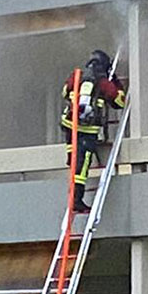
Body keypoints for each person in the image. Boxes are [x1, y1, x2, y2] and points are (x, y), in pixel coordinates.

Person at [59, 50, 128, 213]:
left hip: (69, 126)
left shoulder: (76, 76)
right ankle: (76, 201)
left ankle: (74, 198)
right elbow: (119, 102)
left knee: (74, 161)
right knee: (82, 166)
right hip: (87, 130)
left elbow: (64, 92)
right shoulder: (103, 83)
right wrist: (115, 81)